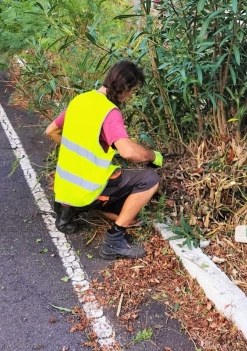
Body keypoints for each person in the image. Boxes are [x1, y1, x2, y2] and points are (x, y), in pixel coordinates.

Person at [45, 60, 163, 260]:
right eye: (132, 91)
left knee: (116, 180)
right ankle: (115, 240)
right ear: (124, 88)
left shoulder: (80, 100)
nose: (130, 96)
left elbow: (51, 130)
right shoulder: (109, 112)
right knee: (150, 179)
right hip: (88, 190)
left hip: (64, 189)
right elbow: (127, 151)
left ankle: (66, 213)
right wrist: (153, 156)